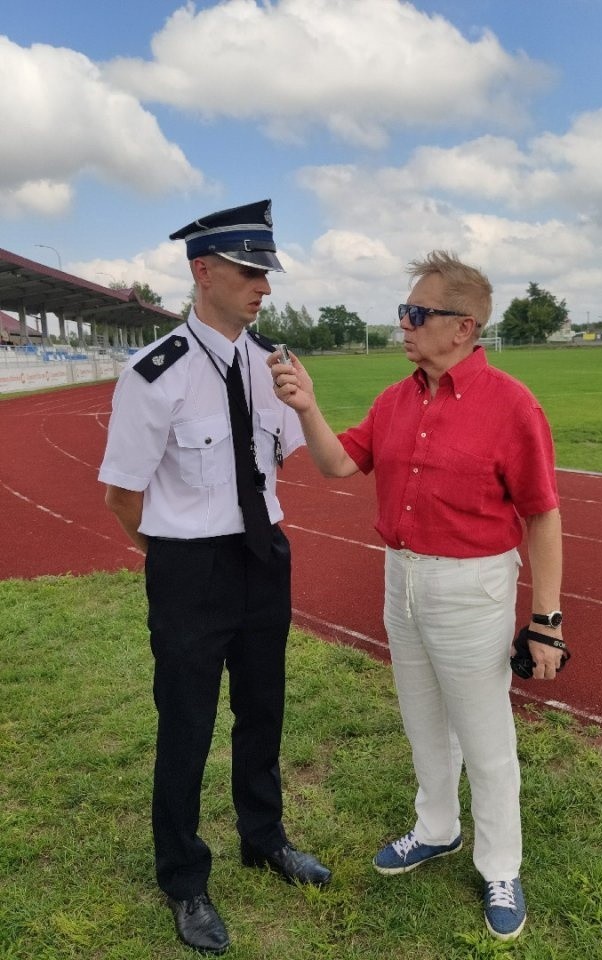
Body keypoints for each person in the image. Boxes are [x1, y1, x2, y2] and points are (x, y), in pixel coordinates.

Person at [269, 250, 564, 942]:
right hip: (399, 577)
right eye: (404, 311)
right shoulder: (394, 399)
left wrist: (546, 619)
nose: (402, 324)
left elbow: (543, 514)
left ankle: (501, 864)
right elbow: (339, 462)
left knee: (485, 736)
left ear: (462, 327)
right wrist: (308, 407)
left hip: (473, 586)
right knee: (423, 720)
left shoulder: (512, 405)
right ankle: (436, 827)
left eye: (416, 313)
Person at [98, 200, 331, 955]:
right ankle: (185, 879)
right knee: (188, 725)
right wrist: (169, 551)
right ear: (204, 273)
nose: (263, 286)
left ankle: (263, 838)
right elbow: (122, 493)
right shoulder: (152, 373)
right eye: (248, 272)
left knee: (264, 711)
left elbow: (279, 458)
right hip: (190, 568)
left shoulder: (276, 365)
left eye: (265, 272)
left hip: (263, 560)